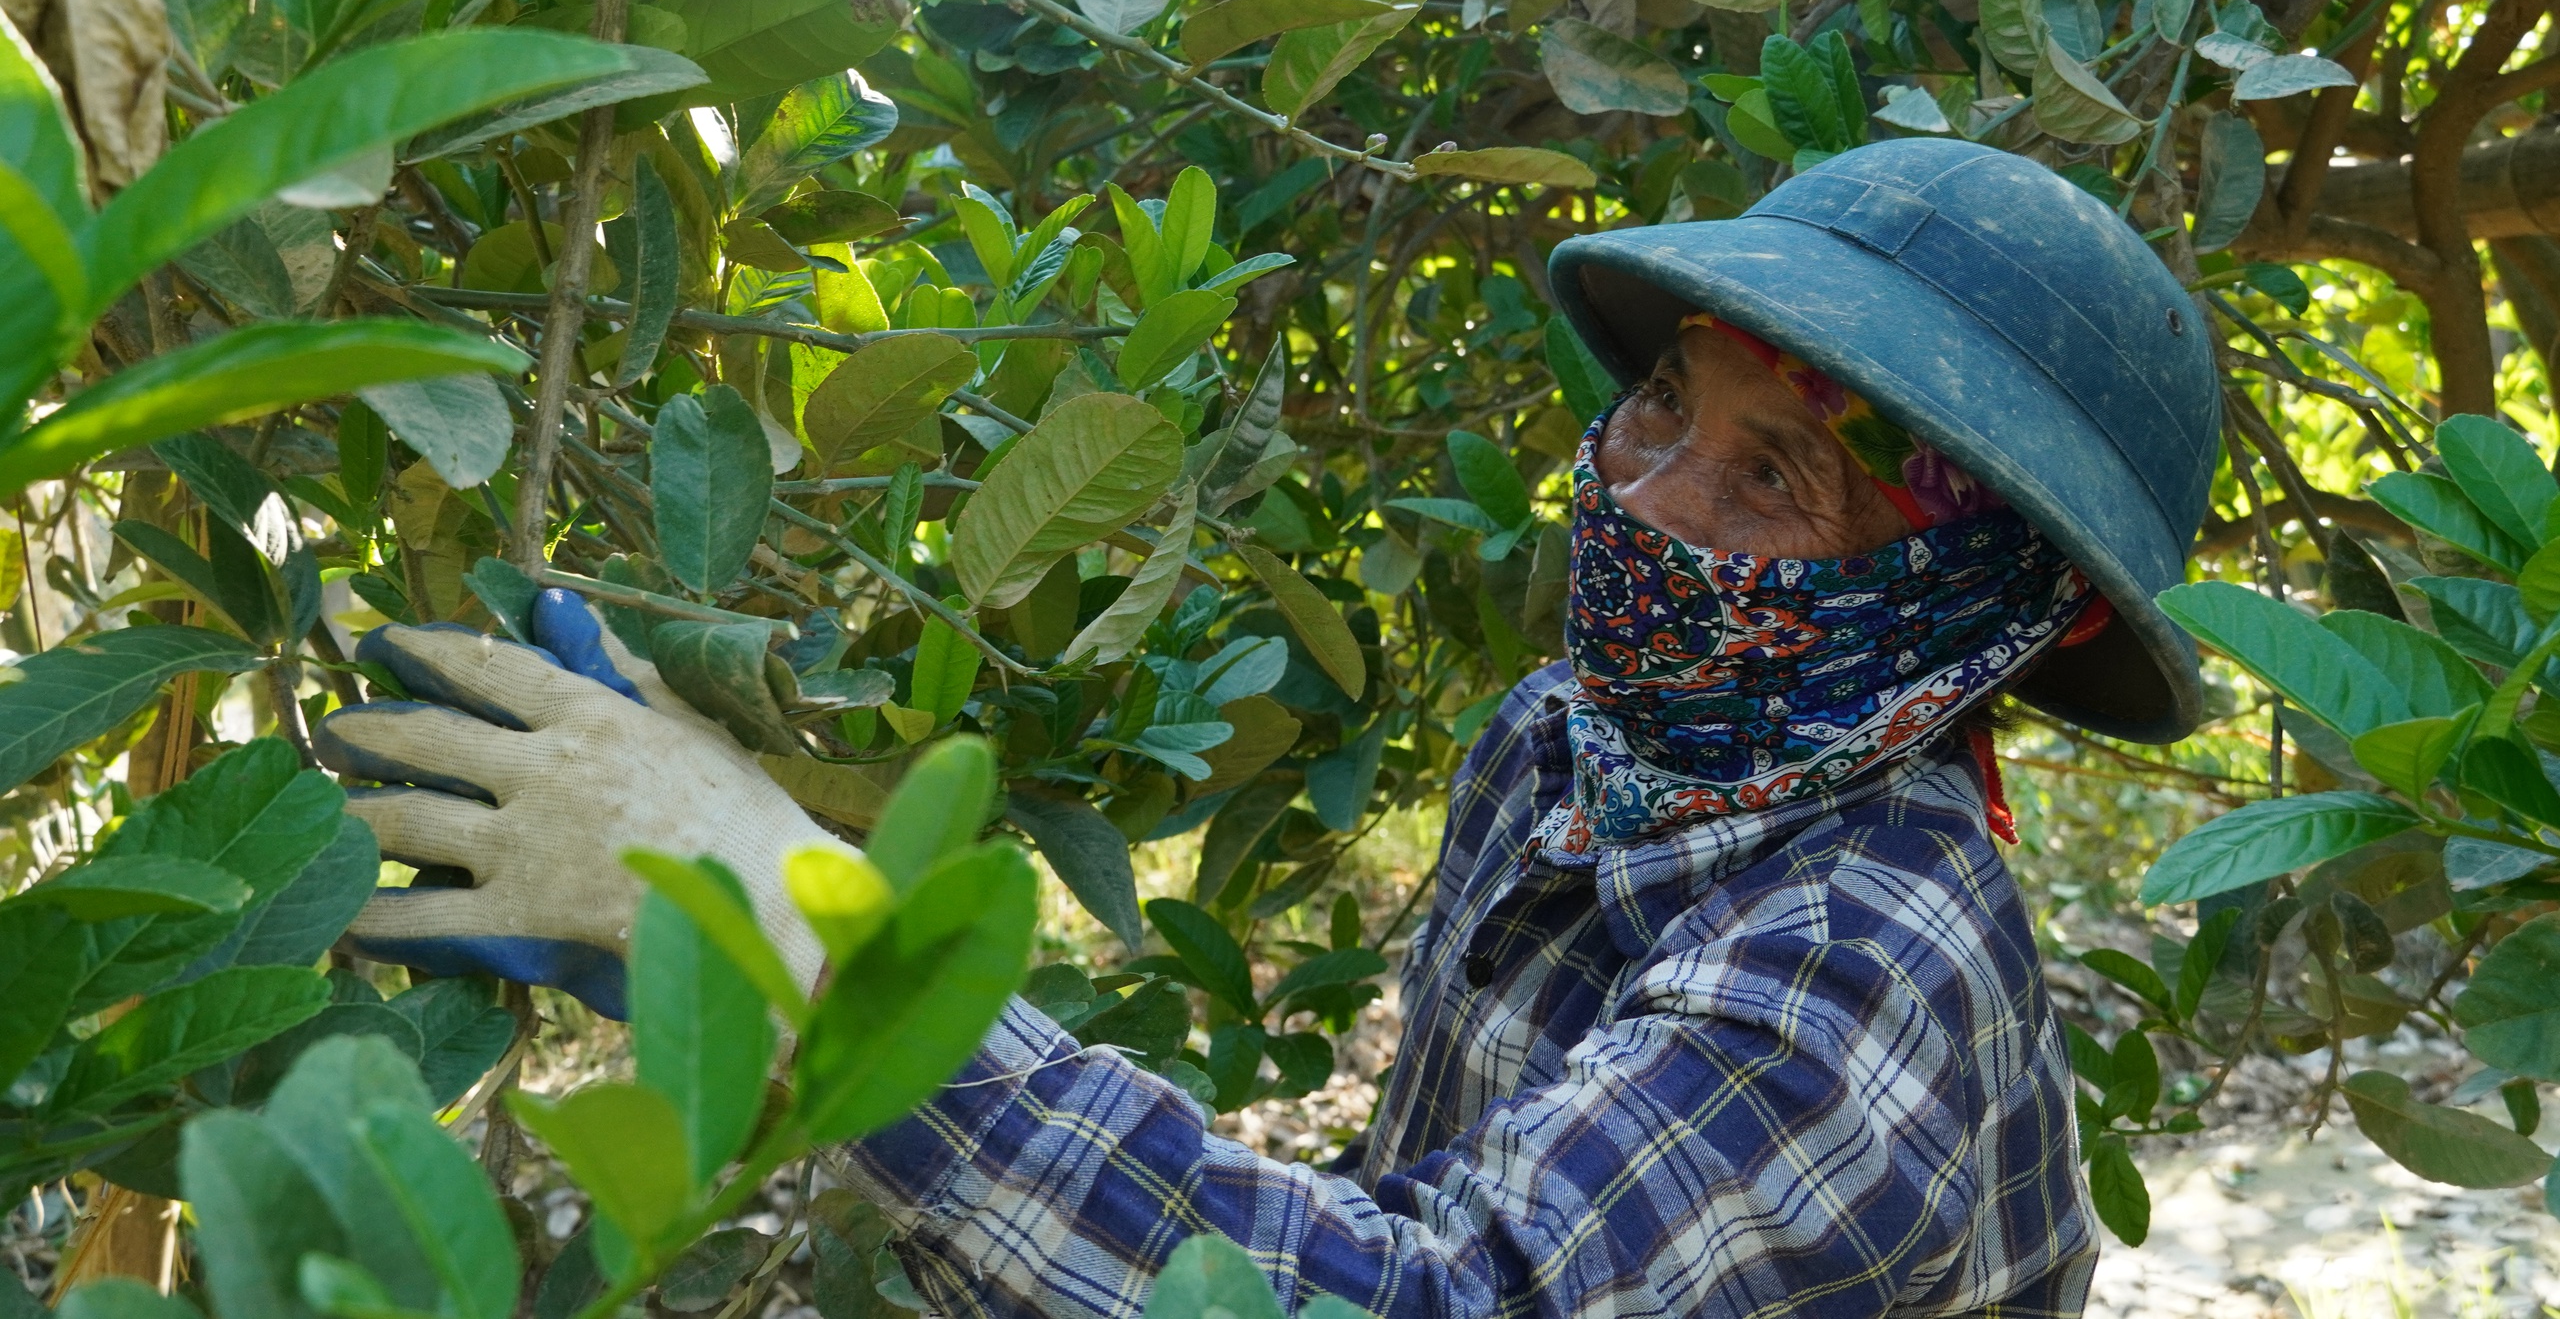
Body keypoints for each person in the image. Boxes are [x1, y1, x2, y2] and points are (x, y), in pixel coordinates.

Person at [317, 138, 2220, 1319]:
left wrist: (797, 927)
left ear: (1980, 607)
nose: (1647, 502)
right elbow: (1426, 1203)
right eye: (1663, 404)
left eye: (1780, 474)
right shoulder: (1583, 737)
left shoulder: (1867, 969)